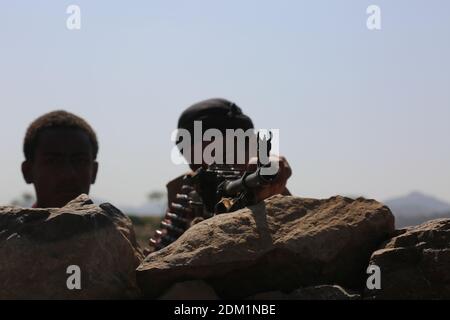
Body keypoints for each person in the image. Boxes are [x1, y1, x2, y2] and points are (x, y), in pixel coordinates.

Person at [149, 98, 292, 251]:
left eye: (226, 155)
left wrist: (274, 171)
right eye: (199, 166)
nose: (216, 170)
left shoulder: (265, 183)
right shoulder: (185, 187)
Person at [21, 110, 99, 208]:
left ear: (94, 171)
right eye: (53, 162)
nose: (68, 174)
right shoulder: (6, 223)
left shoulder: (118, 223)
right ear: (27, 171)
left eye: (80, 161)